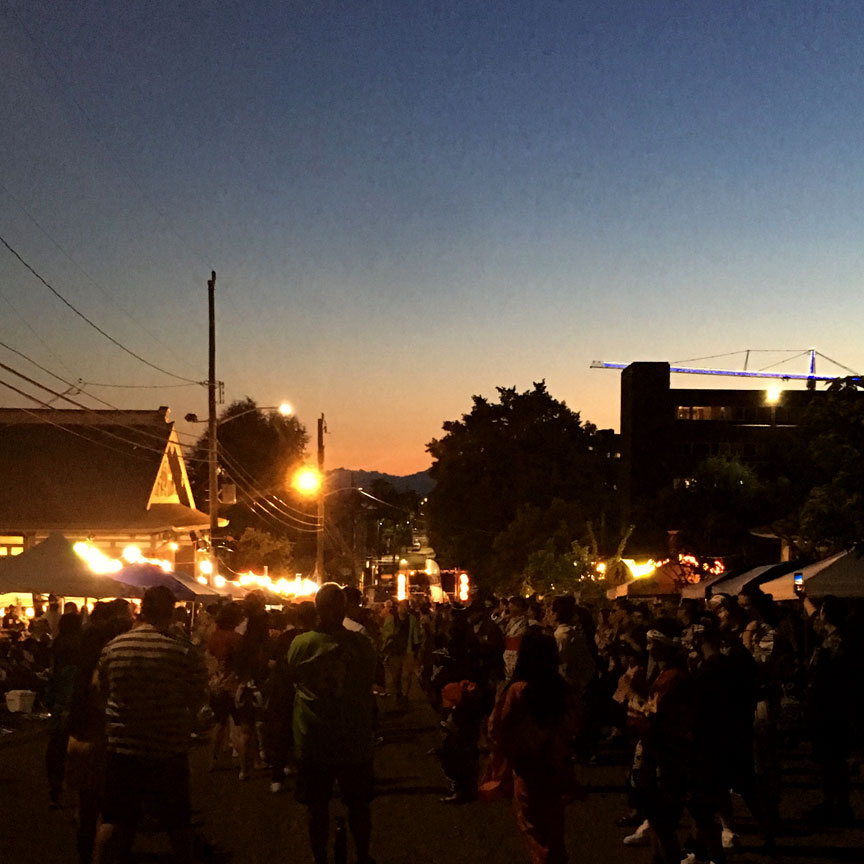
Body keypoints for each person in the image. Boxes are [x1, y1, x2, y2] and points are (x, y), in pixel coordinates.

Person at [92, 586, 206, 864]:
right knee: (178, 823)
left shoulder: (114, 647)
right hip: (166, 749)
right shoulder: (182, 651)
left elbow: (98, 691)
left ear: (142, 610)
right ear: (169, 612)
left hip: (123, 748)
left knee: (114, 820)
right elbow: (198, 695)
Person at [286, 583, 377, 864]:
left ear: (317, 610)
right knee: (359, 805)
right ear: (344, 610)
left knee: (317, 806)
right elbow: (369, 679)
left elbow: (291, 679)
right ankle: (362, 855)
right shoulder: (361, 644)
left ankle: (319, 858)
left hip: (313, 736)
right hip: (354, 735)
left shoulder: (301, 644)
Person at [489, 628, 576, 864]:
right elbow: (572, 724)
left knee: (534, 829)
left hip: (529, 766)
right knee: (554, 829)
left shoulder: (518, 690)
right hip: (558, 765)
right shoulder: (561, 687)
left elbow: (498, 728)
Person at [381, 599, 421, 705]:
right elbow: (385, 634)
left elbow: (415, 634)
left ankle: (404, 695)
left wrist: (416, 649)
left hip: (408, 650)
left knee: (406, 675)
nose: (405, 608)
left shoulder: (412, 619)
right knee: (396, 675)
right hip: (394, 651)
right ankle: (398, 694)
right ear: (398, 607)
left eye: (407, 606)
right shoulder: (391, 619)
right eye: (403, 606)